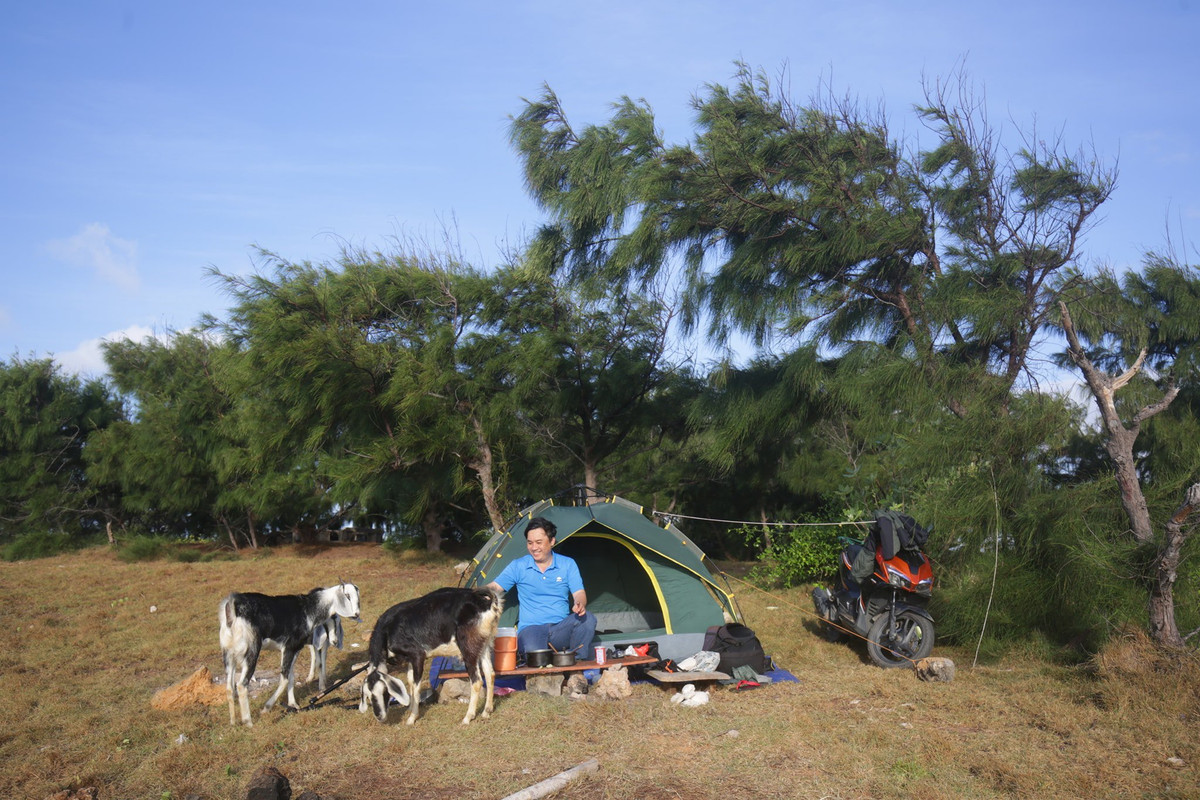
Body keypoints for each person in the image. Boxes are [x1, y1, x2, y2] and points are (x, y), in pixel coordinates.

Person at [487, 516, 597, 657]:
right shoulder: (518, 566)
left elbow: (579, 593)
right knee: (536, 657)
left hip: (560, 628)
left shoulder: (568, 564)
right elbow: (495, 587)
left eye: (539, 542)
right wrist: (470, 595)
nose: (534, 548)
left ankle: (576, 667)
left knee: (588, 619)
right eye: (530, 543)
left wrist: (580, 604)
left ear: (551, 541)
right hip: (531, 630)